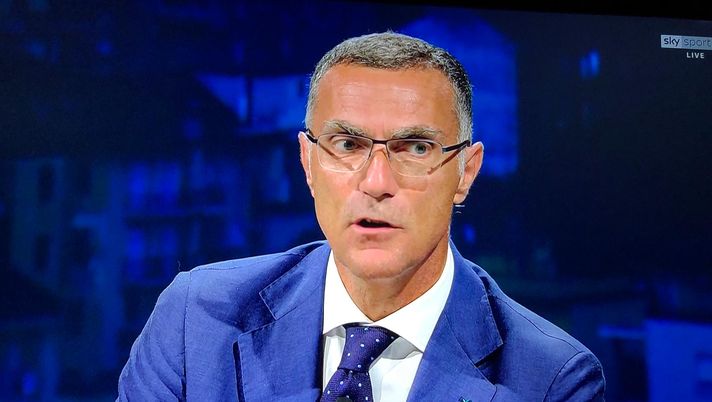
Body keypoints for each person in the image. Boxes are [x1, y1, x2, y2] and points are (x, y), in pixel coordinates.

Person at [118, 32, 605, 401]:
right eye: (348, 144)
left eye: (415, 148)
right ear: (308, 163)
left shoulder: (551, 380)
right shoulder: (195, 321)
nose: (375, 182)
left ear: (465, 173)